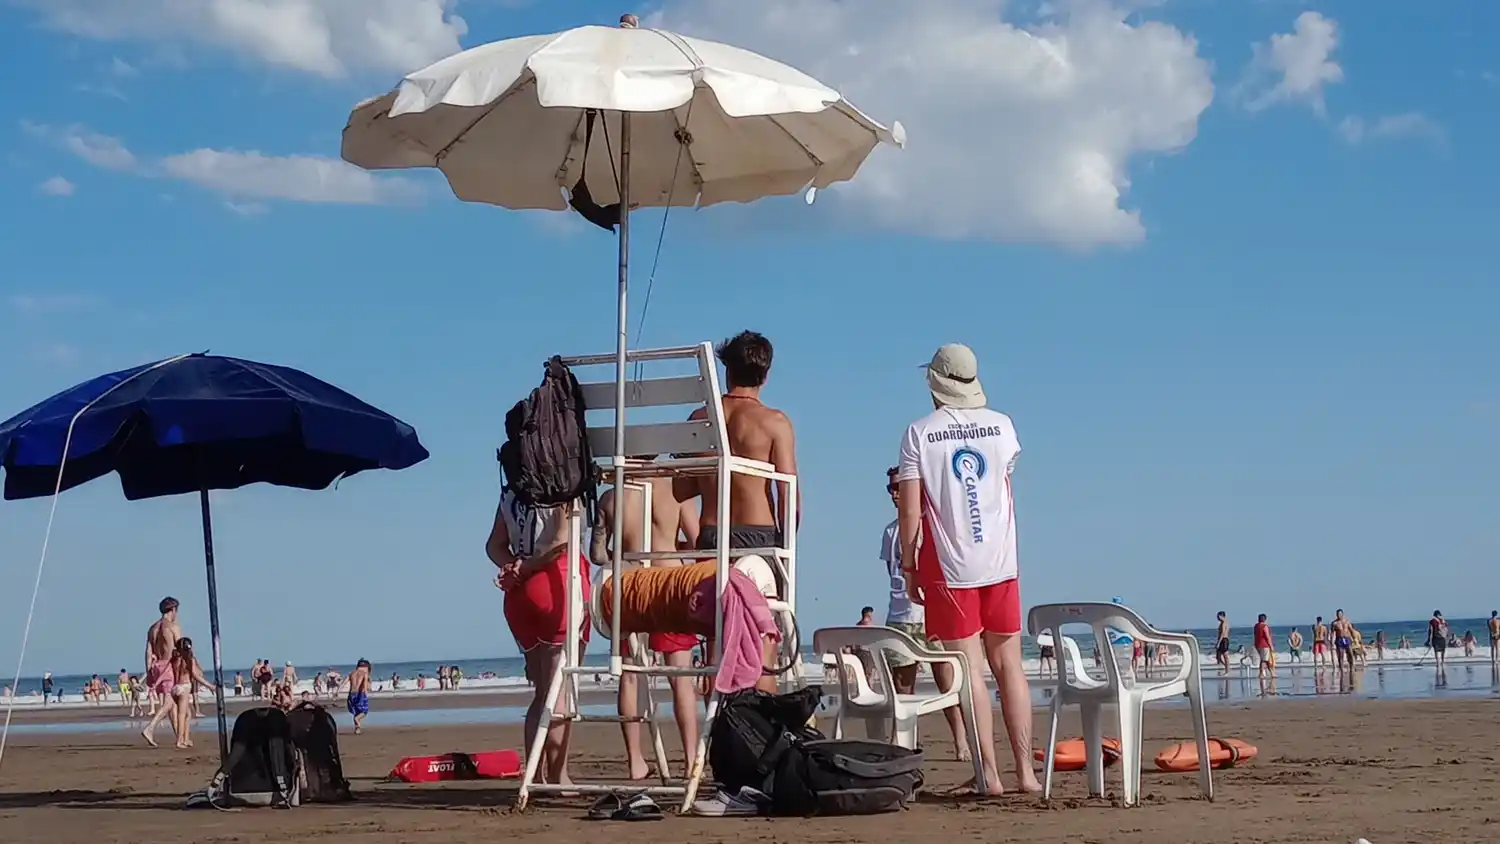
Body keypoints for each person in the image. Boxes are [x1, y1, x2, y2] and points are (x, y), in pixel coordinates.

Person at [896, 343, 1041, 796]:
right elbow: (1000, 482)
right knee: (1009, 667)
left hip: (950, 563)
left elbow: (910, 511)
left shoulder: (918, 433)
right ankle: (1026, 773)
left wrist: (908, 565)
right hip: (1001, 560)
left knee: (969, 671)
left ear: (934, 383)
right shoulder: (1003, 426)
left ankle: (989, 776)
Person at [591, 475, 702, 782]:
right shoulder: (677, 490)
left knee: (629, 677)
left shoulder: (611, 498)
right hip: (668, 584)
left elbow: (598, 554)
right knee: (681, 679)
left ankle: (635, 760)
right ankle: (692, 759)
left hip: (630, 588)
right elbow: (696, 542)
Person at [488, 480, 590, 790]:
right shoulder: (563, 486)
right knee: (561, 690)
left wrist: (513, 568)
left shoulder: (510, 492)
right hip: (559, 582)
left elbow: (494, 544)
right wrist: (529, 567)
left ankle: (534, 771)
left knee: (542, 692)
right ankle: (558, 776)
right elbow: (561, 539)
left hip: (520, 595)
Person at [141, 596, 182, 748]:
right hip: (168, 665)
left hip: (156, 666)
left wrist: (149, 672)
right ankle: (150, 728)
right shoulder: (172, 627)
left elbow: (148, 651)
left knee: (170, 705)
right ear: (173, 610)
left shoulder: (153, 628)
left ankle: (180, 735)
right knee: (169, 702)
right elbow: (181, 648)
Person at [169, 638, 215, 749]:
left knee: (188, 714)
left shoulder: (175, 659)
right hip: (184, 687)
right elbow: (195, 675)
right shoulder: (189, 659)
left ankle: (185, 739)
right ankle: (179, 741)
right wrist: (209, 685)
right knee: (182, 715)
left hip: (175, 687)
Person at [344, 658, 372, 734]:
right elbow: (365, 686)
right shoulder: (364, 674)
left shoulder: (352, 673)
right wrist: (366, 694)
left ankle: (357, 729)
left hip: (351, 694)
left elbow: (344, 682)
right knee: (364, 712)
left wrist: (337, 691)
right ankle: (357, 721)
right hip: (360, 694)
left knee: (356, 712)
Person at [1253, 614, 1274, 679]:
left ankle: (1272, 673)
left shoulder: (1256, 626)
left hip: (1257, 644)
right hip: (1264, 645)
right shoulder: (1264, 626)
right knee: (1263, 660)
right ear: (1265, 619)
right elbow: (1267, 637)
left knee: (1266, 659)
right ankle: (1261, 673)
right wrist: (1271, 645)